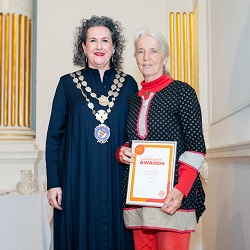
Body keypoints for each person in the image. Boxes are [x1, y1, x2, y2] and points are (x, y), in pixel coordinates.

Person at [45, 15, 138, 250]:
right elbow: (54, 136)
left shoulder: (128, 84)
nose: (99, 46)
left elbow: (136, 131)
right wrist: (54, 182)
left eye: (105, 40)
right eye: (93, 41)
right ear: (84, 47)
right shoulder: (67, 84)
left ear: (114, 47)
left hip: (118, 178)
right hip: (76, 178)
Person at [117, 28, 206, 250]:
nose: (146, 58)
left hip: (172, 197)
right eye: (140, 52)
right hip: (140, 198)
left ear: (165, 57)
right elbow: (136, 140)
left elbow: (196, 148)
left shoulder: (182, 92)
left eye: (153, 51)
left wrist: (180, 190)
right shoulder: (132, 100)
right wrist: (123, 151)